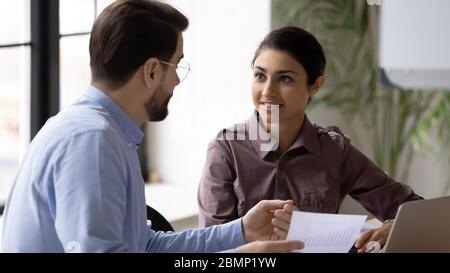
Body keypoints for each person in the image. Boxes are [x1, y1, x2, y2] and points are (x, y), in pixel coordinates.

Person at [0, 0, 302, 253]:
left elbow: (145, 246)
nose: (176, 81)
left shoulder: (107, 133)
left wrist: (241, 232)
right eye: (177, 66)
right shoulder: (93, 141)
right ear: (152, 71)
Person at [197, 26, 423, 253]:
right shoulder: (225, 150)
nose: (268, 91)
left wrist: (393, 227)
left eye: (285, 78)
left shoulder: (335, 150)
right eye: (260, 75)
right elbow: (211, 249)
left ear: (315, 85)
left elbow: (414, 210)